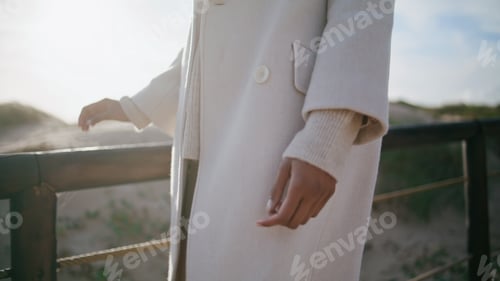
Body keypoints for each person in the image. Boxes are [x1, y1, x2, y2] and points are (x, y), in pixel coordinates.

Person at [79, 0, 394, 280]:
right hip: (208, 142)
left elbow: (363, 11)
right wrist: (136, 106)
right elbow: (204, 33)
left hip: (286, 127)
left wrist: (326, 138)